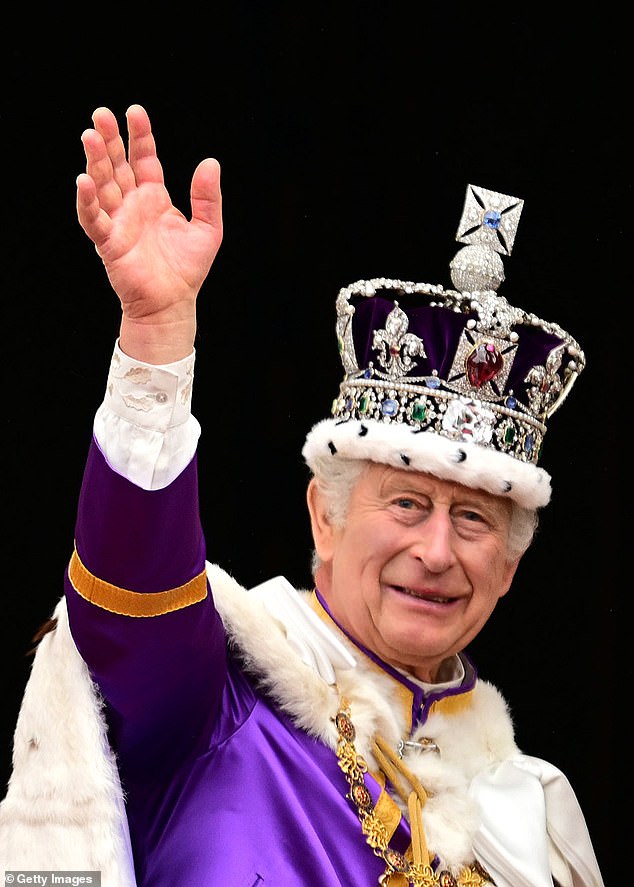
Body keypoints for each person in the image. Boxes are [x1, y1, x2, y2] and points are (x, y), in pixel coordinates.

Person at [0, 104, 605, 887]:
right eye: (406, 504)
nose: (436, 550)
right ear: (325, 515)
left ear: (511, 567)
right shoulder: (220, 697)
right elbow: (129, 596)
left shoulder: (537, 818)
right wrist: (156, 342)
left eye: (474, 517)